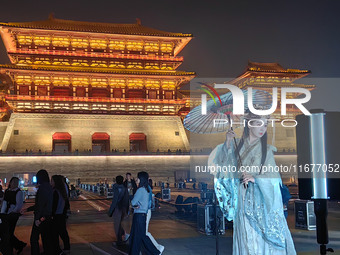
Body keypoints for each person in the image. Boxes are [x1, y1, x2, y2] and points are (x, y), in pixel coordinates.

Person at [208, 112, 296, 255]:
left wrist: (256, 178)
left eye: (265, 125)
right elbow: (224, 169)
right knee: (245, 239)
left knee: (259, 242)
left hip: (260, 203)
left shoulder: (266, 150)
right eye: (258, 123)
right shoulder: (236, 148)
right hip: (242, 200)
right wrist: (228, 143)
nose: (263, 128)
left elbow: (274, 177)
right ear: (249, 125)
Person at [129, 171, 160, 255]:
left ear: (141, 179)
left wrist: (135, 206)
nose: (136, 179)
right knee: (140, 235)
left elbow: (133, 202)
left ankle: (155, 252)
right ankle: (153, 252)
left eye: (137, 178)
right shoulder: (147, 189)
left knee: (138, 236)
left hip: (138, 215)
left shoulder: (140, 190)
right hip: (143, 215)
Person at [26, 169, 54, 255]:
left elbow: (40, 205)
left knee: (34, 239)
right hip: (47, 216)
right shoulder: (49, 187)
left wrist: (37, 218)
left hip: (41, 217)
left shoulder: (42, 188)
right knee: (46, 238)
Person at [1, 177, 26, 254]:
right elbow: (4, 203)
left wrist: (12, 212)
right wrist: (2, 213)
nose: (13, 184)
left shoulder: (18, 192)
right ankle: (18, 245)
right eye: (13, 182)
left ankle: (12, 248)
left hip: (13, 215)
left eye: (15, 183)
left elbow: (19, 205)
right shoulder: (8, 191)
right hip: (6, 213)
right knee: (8, 232)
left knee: (8, 232)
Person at [51, 175, 70, 254]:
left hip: (56, 216)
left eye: (52, 181)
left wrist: (51, 214)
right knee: (63, 232)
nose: (50, 183)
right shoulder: (62, 192)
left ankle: (57, 250)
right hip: (61, 215)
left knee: (55, 234)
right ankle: (66, 247)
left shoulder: (55, 192)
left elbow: (54, 206)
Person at [108, 175, 129, 246]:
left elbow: (115, 200)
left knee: (117, 225)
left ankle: (119, 241)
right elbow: (126, 199)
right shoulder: (124, 188)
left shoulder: (115, 187)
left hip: (117, 208)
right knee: (120, 223)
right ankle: (123, 233)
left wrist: (110, 211)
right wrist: (126, 209)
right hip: (123, 208)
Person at [146, 178, 164, 254]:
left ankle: (157, 247)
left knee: (145, 232)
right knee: (144, 232)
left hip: (146, 211)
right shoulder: (147, 189)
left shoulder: (146, 189)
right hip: (146, 211)